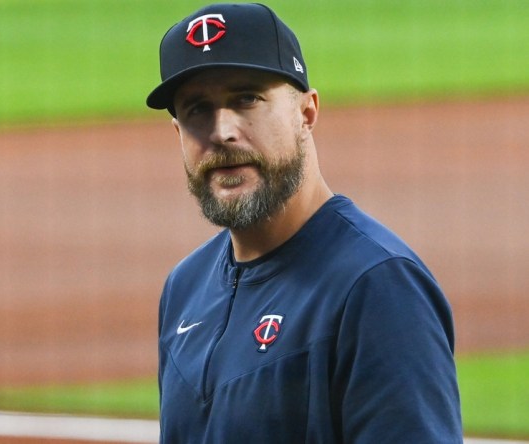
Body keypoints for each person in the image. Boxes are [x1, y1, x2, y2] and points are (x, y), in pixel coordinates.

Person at [146, 3, 462, 443]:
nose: (222, 131)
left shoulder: (376, 287)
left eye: (246, 98)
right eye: (197, 108)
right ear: (178, 134)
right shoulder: (185, 287)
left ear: (307, 113)